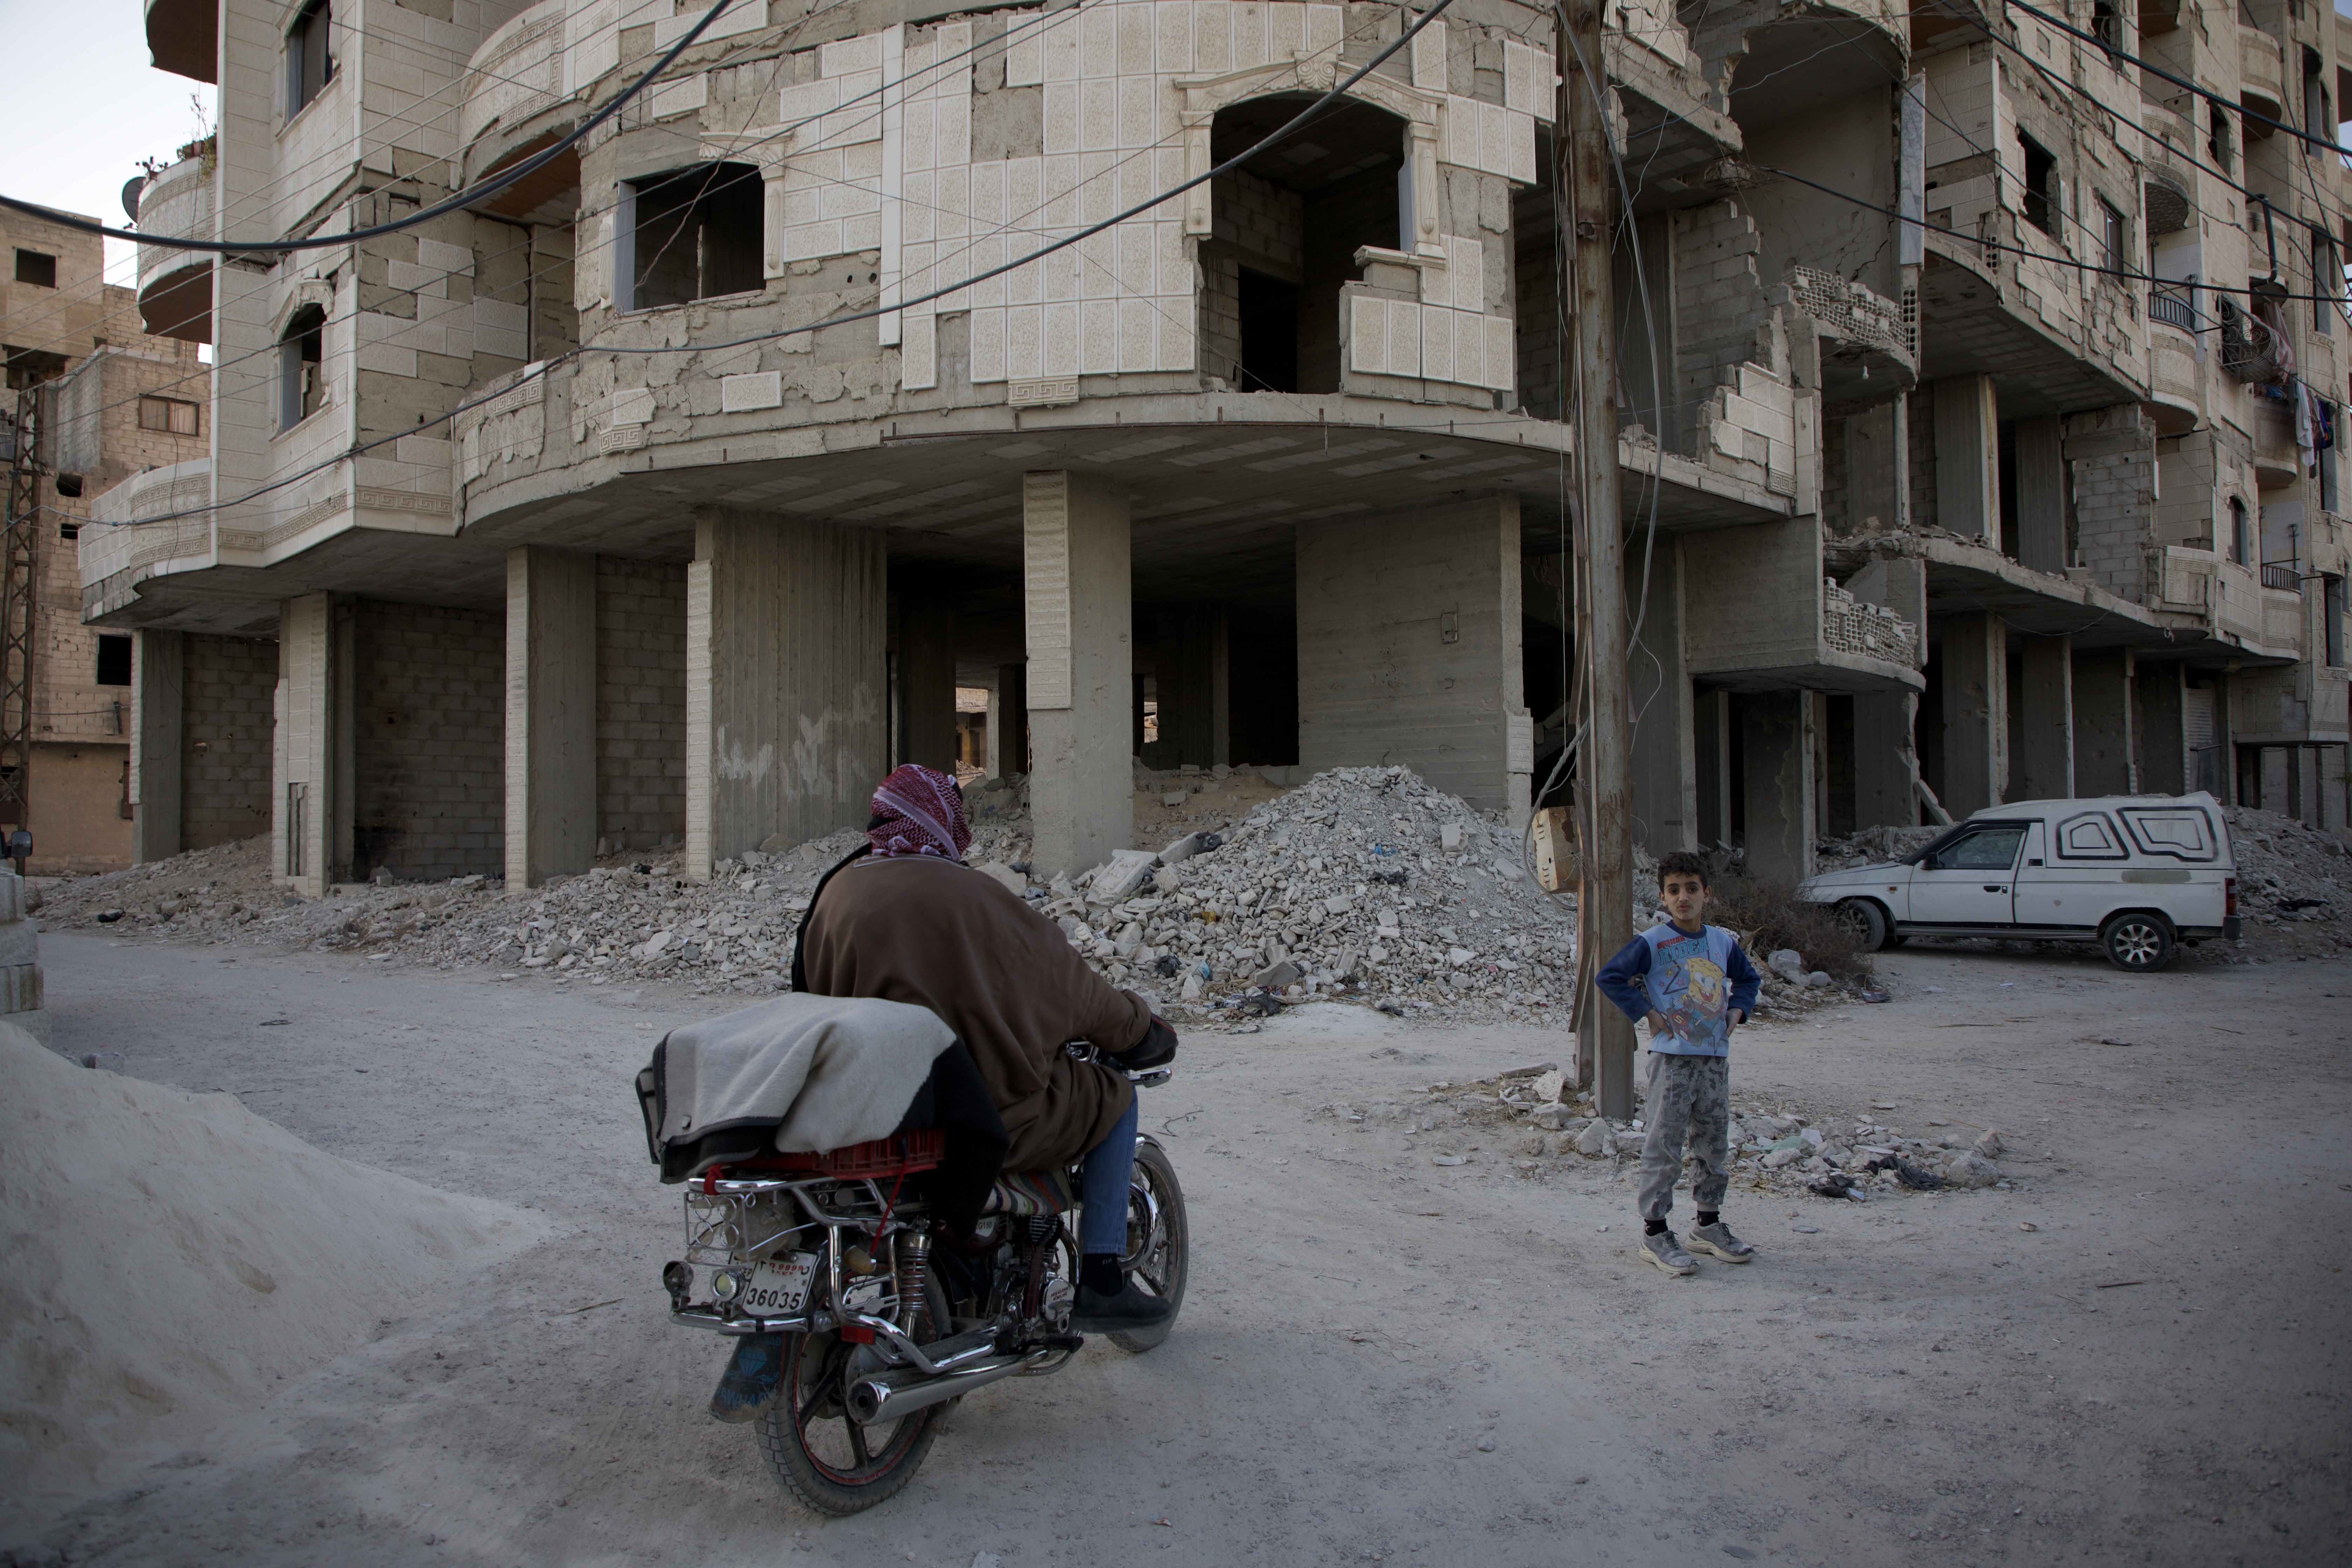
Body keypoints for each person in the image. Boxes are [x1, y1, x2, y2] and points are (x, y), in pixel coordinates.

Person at [796, 763, 1177, 1335]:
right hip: (975, 1120)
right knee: (1113, 1096)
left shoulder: (834, 896)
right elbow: (1070, 990)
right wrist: (1140, 1028)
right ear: (943, 819)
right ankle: (1101, 1278)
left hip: (867, 1118)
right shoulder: (973, 897)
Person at [1596, 850, 1762, 1278]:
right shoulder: (1653, 942)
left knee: (1713, 1141)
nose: (1683, 897)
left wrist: (1736, 1013)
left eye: (1691, 889)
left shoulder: (1723, 942)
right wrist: (1647, 1014)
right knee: (1664, 1142)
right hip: (1672, 1061)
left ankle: (1707, 1225)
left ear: (1708, 894)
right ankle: (1655, 1231)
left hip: (1714, 1060)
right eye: (1674, 890)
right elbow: (1610, 976)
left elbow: (1748, 980)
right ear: (1663, 897)